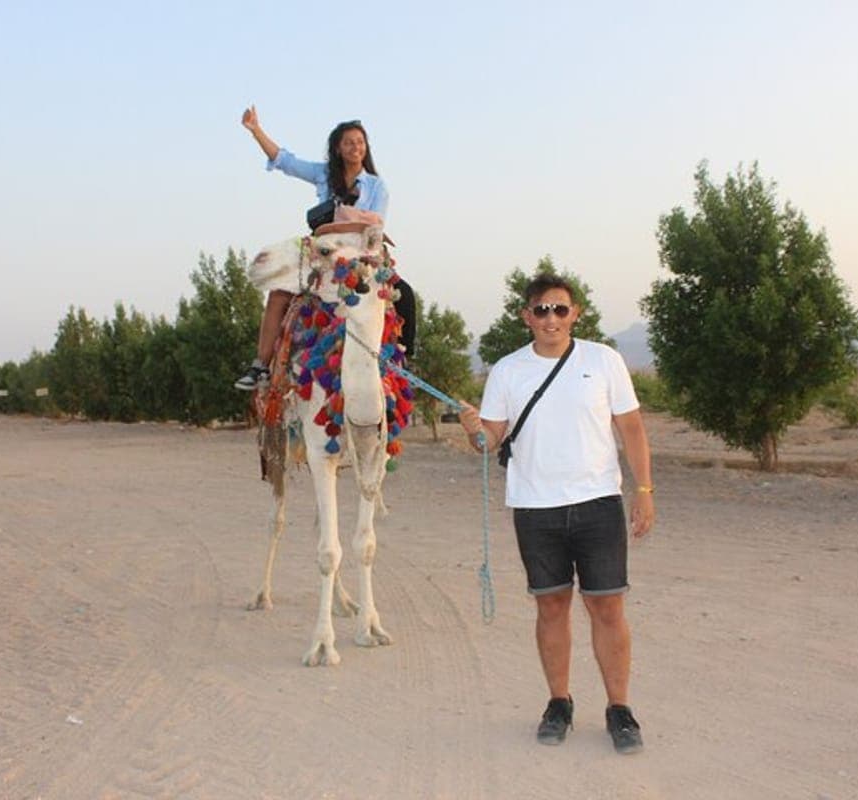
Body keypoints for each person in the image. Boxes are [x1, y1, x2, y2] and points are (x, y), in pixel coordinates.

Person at [457, 273, 655, 753]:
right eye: (541, 310)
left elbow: (631, 429)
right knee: (551, 606)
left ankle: (620, 710)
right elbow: (491, 440)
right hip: (535, 507)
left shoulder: (603, 360)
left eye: (559, 309)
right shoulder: (507, 370)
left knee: (607, 606)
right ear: (527, 317)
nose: (551, 318)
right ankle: (558, 702)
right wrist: (472, 429)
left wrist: (644, 488)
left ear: (576, 314)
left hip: (598, 504)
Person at [236, 106, 414, 390]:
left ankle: (402, 365)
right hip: (323, 251)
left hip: (361, 252)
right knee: (279, 293)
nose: (355, 147)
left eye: (360, 142)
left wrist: (342, 220)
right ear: (338, 149)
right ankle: (260, 366)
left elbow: (376, 225)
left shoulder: (376, 186)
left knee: (403, 294)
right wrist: (256, 131)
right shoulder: (323, 175)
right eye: (348, 142)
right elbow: (285, 161)